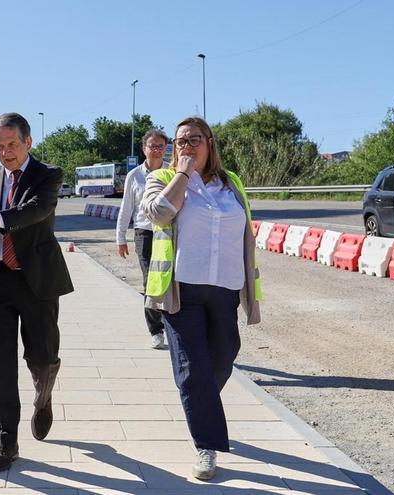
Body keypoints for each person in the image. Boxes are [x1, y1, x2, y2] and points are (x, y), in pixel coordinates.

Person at [140, 116, 262, 481]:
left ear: (210, 143)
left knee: (223, 359)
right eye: (180, 141)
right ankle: (206, 445)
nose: (187, 146)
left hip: (225, 287)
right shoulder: (162, 178)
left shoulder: (231, 183)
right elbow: (158, 214)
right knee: (193, 369)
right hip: (182, 290)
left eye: (195, 139)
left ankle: (199, 402)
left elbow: (245, 233)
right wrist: (182, 173)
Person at [0, 112, 74, 472]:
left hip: (37, 280)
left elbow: (36, 211)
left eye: (12, 144)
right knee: (0, 366)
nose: (6, 152)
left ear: (28, 142)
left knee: (42, 356)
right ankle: (6, 441)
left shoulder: (47, 175)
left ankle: (44, 395)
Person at [116, 128, 170, 350]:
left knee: (171, 281)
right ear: (143, 148)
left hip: (168, 232)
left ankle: (172, 326)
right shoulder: (135, 175)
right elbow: (126, 208)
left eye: (160, 146)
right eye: (152, 146)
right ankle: (156, 331)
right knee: (151, 280)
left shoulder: (173, 172)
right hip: (144, 233)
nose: (156, 150)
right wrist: (120, 237)